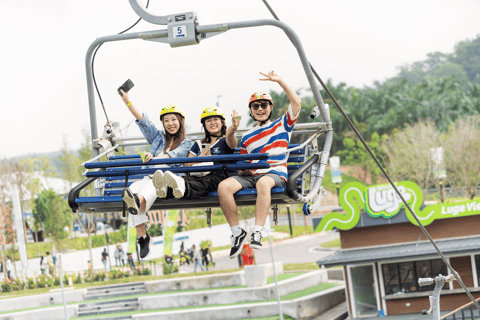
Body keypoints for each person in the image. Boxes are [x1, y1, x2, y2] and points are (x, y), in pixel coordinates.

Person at [218, 71, 302, 259]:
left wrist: (280, 80)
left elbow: (297, 103)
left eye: (264, 105)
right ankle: (236, 232)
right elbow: (243, 163)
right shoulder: (247, 136)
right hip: (253, 175)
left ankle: (257, 231)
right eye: (256, 106)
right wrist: (244, 169)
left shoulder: (283, 124)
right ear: (251, 110)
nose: (260, 109)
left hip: (274, 174)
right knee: (224, 187)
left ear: (271, 107)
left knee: (263, 182)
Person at [118, 88, 193, 259]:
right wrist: (127, 101)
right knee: (132, 189)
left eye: (173, 119)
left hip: (166, 181)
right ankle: (142, 234)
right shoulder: (158, 138)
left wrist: (153, 158)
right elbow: (144, 122)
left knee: (143, 194)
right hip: (148, 177)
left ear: (181, 121)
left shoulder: (187, 143)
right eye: (166, 120)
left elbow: (172, 156)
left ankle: (142, 233)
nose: (170, 123)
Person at [153, 106, 239, 200]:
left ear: (222, 122)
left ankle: (175, 187)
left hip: (218, 177)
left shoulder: (225, 141)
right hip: (199, 175)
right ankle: (164, 189)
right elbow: (186, 165)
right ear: (204, 124)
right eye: (208, 120)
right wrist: (198, 160)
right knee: (189, 180)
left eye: (215, 119)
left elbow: (230, 135)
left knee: (205, 182)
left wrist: (234, 128)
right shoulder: (198, 144)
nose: (212, 123)